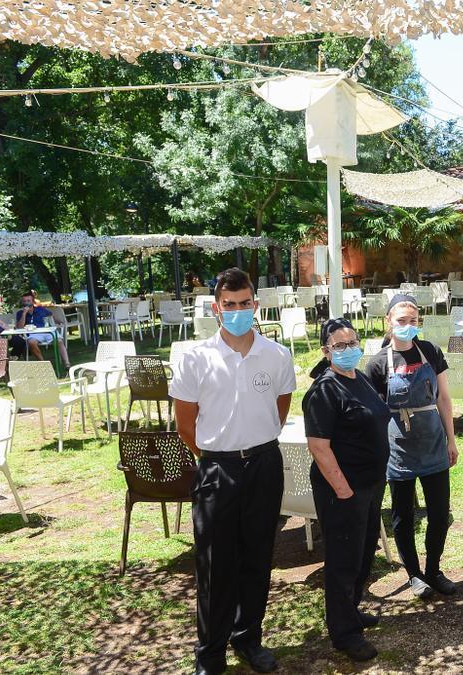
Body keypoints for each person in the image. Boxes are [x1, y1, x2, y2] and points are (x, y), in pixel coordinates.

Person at [170, 268, 296, 675]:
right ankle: (210, 653)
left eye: (245, 304)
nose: (238, 311)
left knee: (258, 557)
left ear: (255, 305)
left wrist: (252, 443)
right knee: (214, 565)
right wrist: (217, 453)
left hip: (263, 464)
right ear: (216, 308)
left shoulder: (277, 355)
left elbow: (280, 408)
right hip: (217, 469)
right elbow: (185, 426)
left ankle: (249, 639)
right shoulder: (195, 357)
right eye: (230, 305)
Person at [302, 318, 391, 663]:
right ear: (326, 351)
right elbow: (319, 447)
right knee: (343, 559)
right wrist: (343, 490)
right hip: (343, 489)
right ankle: (344, 633)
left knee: (364, 552)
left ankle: (350, 611)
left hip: (370, 484)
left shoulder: (360, 379)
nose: (348, 349)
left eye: (352, 342)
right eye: (339, 345)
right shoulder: (325, 390)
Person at [364, 294, 460, 599]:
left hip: (433, 443)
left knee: (439, 511)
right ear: (389, 322)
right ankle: (415, 575)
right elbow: (374, 413)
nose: (408, 326)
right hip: (399, 449)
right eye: (401, 321)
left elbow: (444, 398)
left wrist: (451, 440)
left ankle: (434, 570)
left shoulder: (430, 351)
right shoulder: (378, 363)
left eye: (413, 321)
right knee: (403, 516)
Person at [12, 291, 69, 370]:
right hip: (33, 334)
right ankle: (44, 365)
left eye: (28, 301)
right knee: (31, 342)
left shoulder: (40, 309)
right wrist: (24, 314)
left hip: (47, 331)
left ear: (33, 302)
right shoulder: (20, 313)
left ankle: (67, 364)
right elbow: (19, 328)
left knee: (59, 341)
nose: (26, 303)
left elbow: (51, 316)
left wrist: (57, 322)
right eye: (24, 301)